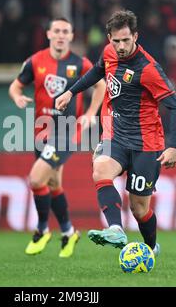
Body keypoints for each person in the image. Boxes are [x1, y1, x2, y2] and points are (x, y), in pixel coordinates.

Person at [56, 10, 176, 256]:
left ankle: (150, 248)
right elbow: (97, 71)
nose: (121, 46)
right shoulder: (108, 53)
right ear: (109, 38)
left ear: (135, 36)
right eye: (116, 41)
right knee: (100, 170)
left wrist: (173, 146)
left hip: (146, 143)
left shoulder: (148, 69)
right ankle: (115, 229)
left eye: (126, 40)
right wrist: (71, 92)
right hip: (115, 135)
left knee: (139, 208)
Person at [9, 17, 106, 258]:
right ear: (49, 34)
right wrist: (17, 97)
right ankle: (68, 232)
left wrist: (90, 114)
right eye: (57, 31)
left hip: (67, 131)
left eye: (66, 31)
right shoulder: (35, 61)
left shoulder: (80, 63)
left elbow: (101, 86)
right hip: (41, 132)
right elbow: (15, 86)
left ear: (72, 36)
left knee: (35, 179)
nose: (61, 35)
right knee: (53, 184)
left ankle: (42, 230)